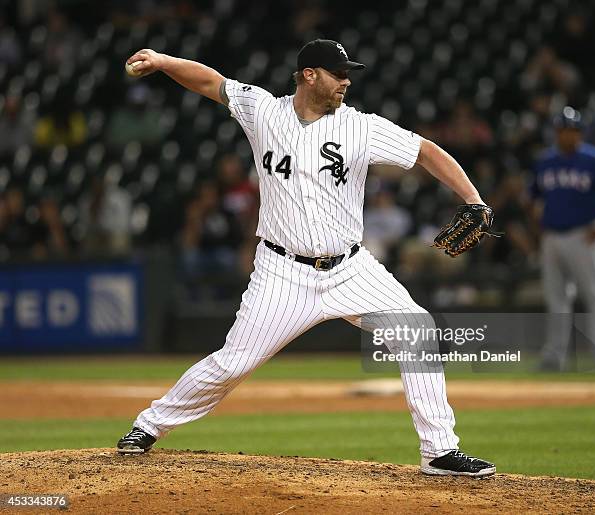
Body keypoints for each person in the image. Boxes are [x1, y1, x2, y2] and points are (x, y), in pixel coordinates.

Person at [117, 39, 496, 477]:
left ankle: (440, 452)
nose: (347, 81)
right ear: (310, 75)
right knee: (232, 364)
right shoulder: (262, 110)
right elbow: (211, 83)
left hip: (350, 268)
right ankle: (150, 425)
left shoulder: (361, 126)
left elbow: (425, 150)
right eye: (339, 73)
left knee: (416, 329)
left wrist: (473, 198)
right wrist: (164, 62)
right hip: (282, 272)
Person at [530, 106, 595, 370]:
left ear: (580, 132)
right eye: (563, 130)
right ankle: (554, 358)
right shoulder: (545, 161)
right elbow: (532, 197)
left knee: (594, 296)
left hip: (585, 235)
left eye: (573, 130)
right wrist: (538, 224)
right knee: (556, 299)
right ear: (556, 132)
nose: (568, 135)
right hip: (552, 237)